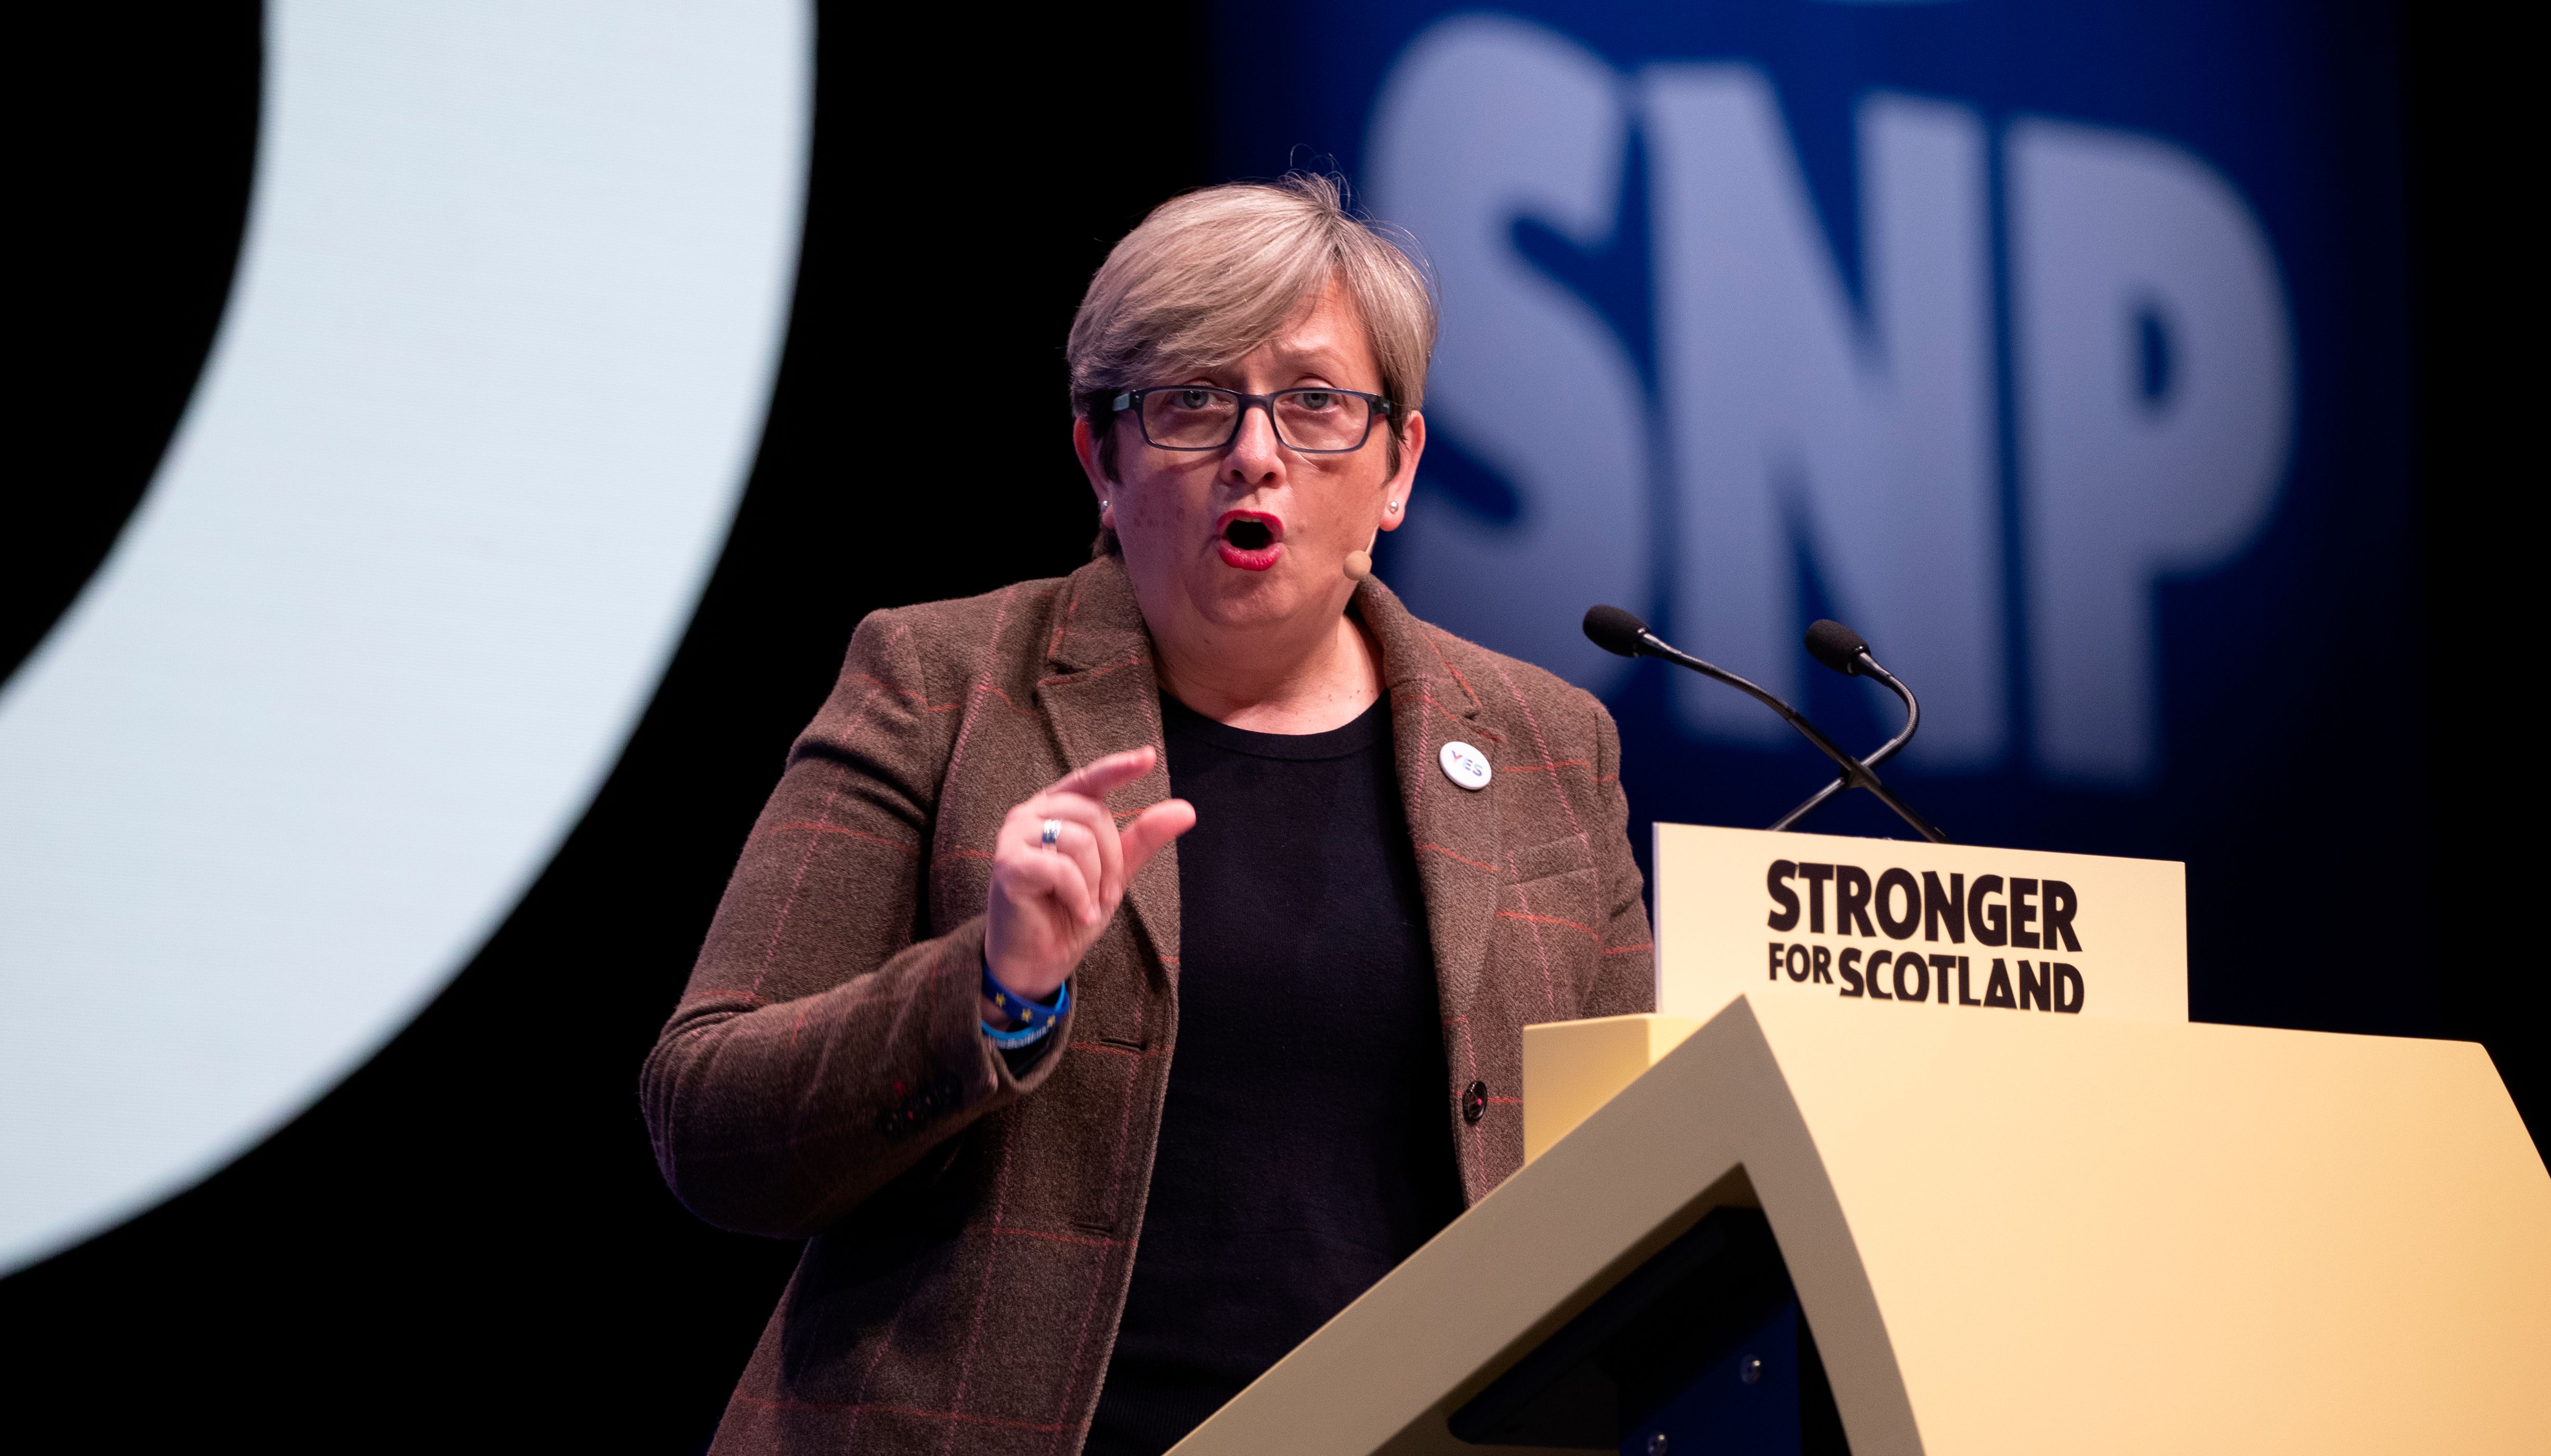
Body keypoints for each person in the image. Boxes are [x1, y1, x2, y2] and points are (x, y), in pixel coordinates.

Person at [642, 173, 1653, 1456]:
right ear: (1100, 460)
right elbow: (711, 1123)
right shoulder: (943, 686)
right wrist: (992, 990)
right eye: (1189, 401)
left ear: (1397, 465)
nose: (1254, 449)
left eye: (1314, 403)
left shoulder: (1546, 751)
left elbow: (1630, 1181)